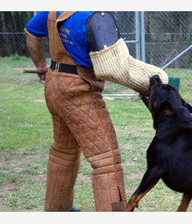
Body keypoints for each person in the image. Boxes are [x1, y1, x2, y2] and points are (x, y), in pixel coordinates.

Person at [24, 11, 127, 212]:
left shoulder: (53, 10)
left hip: (54, 83)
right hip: (79, 89)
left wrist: (40, 65)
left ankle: (57, 210)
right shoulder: (94, 13)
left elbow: (31, 32)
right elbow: (114, 66)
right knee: (107, 160)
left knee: (63, 152)